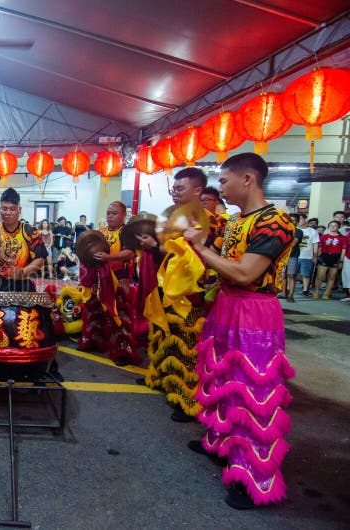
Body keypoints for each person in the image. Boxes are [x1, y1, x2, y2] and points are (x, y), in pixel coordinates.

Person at [184, 152, 295, 510]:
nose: (221, 188)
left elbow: (246, 273)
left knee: (253, 393)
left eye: (224, 180)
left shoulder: (276, 221)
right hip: (227, 305)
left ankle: (255, 479)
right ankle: (221, 445)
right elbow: (216, 262)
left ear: (248, 179)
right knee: (220, 380)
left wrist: (199, 247)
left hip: (255, 311)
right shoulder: (233, 223)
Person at [143, 168, 225, 422]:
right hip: (167, 287)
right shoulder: (175, 219)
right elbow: (170, 249)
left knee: (188, 345)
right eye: (174, 189)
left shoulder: (212, 222)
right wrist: (154, 246)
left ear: (198, 190)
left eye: (180, 189)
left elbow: (211, 258)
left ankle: (188, 398)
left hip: (193, 295)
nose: (175, 194)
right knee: (162, 332)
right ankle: (161, 378)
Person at [0, 188, 62, 379]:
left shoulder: (30, 232)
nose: (7, 212)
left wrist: (23, 272)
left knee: (38, 322)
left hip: (23, 283)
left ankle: (47, 366)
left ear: (19, 209)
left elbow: (40, 259)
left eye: (11, 209)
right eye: (3, 209)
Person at [78, 201, 139, 366]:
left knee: (120, 314)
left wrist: (109, 258)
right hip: (99, 277)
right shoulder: (101, 232)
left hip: (120, 278)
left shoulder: (126, 232)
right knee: (95, 310)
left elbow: (130, 253)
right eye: (108, 213)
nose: (110, 216)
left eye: (114, 213)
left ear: (124, 215)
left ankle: (123, 350)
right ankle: (94, 340)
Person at [312, 220, 344, 299]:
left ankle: (326, 294)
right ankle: (316, 292)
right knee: (320, 276)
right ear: (328, 227)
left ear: (338, 227)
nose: (333, 227)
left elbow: (343, 250)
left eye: (335, 226)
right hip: (324, 256)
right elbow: (319, 248)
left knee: (332, 277)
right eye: (331, 225)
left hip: (335, 257)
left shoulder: (342, 238)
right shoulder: (324, 237)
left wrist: (341, 260)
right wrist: (316, 257)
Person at [296, 213, 319, 297]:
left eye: (301, 219)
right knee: (291, 274)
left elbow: (315, 244)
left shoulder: (312, 231)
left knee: (306, 274)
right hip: (295, 255)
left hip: (307, 256)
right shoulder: (294, 229)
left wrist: (315, 256)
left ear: (305, 220)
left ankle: (305, 290)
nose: (299, 221)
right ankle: (288, 288)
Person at [282, 214, 303, 303]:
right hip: (282, 255)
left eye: (294, 220)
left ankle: (291, 295)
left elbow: (294, 242)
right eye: (290, 219)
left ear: (297, 222)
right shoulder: (283, 230)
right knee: (283, 275)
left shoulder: (298, 231)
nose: (291, 221)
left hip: (292, 255)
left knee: (291, 275)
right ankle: (283, 293)